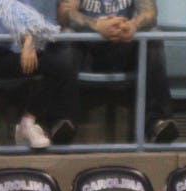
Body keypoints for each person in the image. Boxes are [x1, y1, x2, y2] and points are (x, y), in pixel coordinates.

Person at [0, 0, 80, 150]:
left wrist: (29, 44)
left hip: (4, 54)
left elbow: (26, 20)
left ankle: (28, 122)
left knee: (58, 66)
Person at [57, 0, 177, 143]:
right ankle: (63, 121)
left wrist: (133, 25)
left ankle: (157, 122)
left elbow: (150, 13)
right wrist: (97, 25)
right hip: (87, 52)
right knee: (66, 36)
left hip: (123, 47)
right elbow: (64, 13)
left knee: (153, 36)